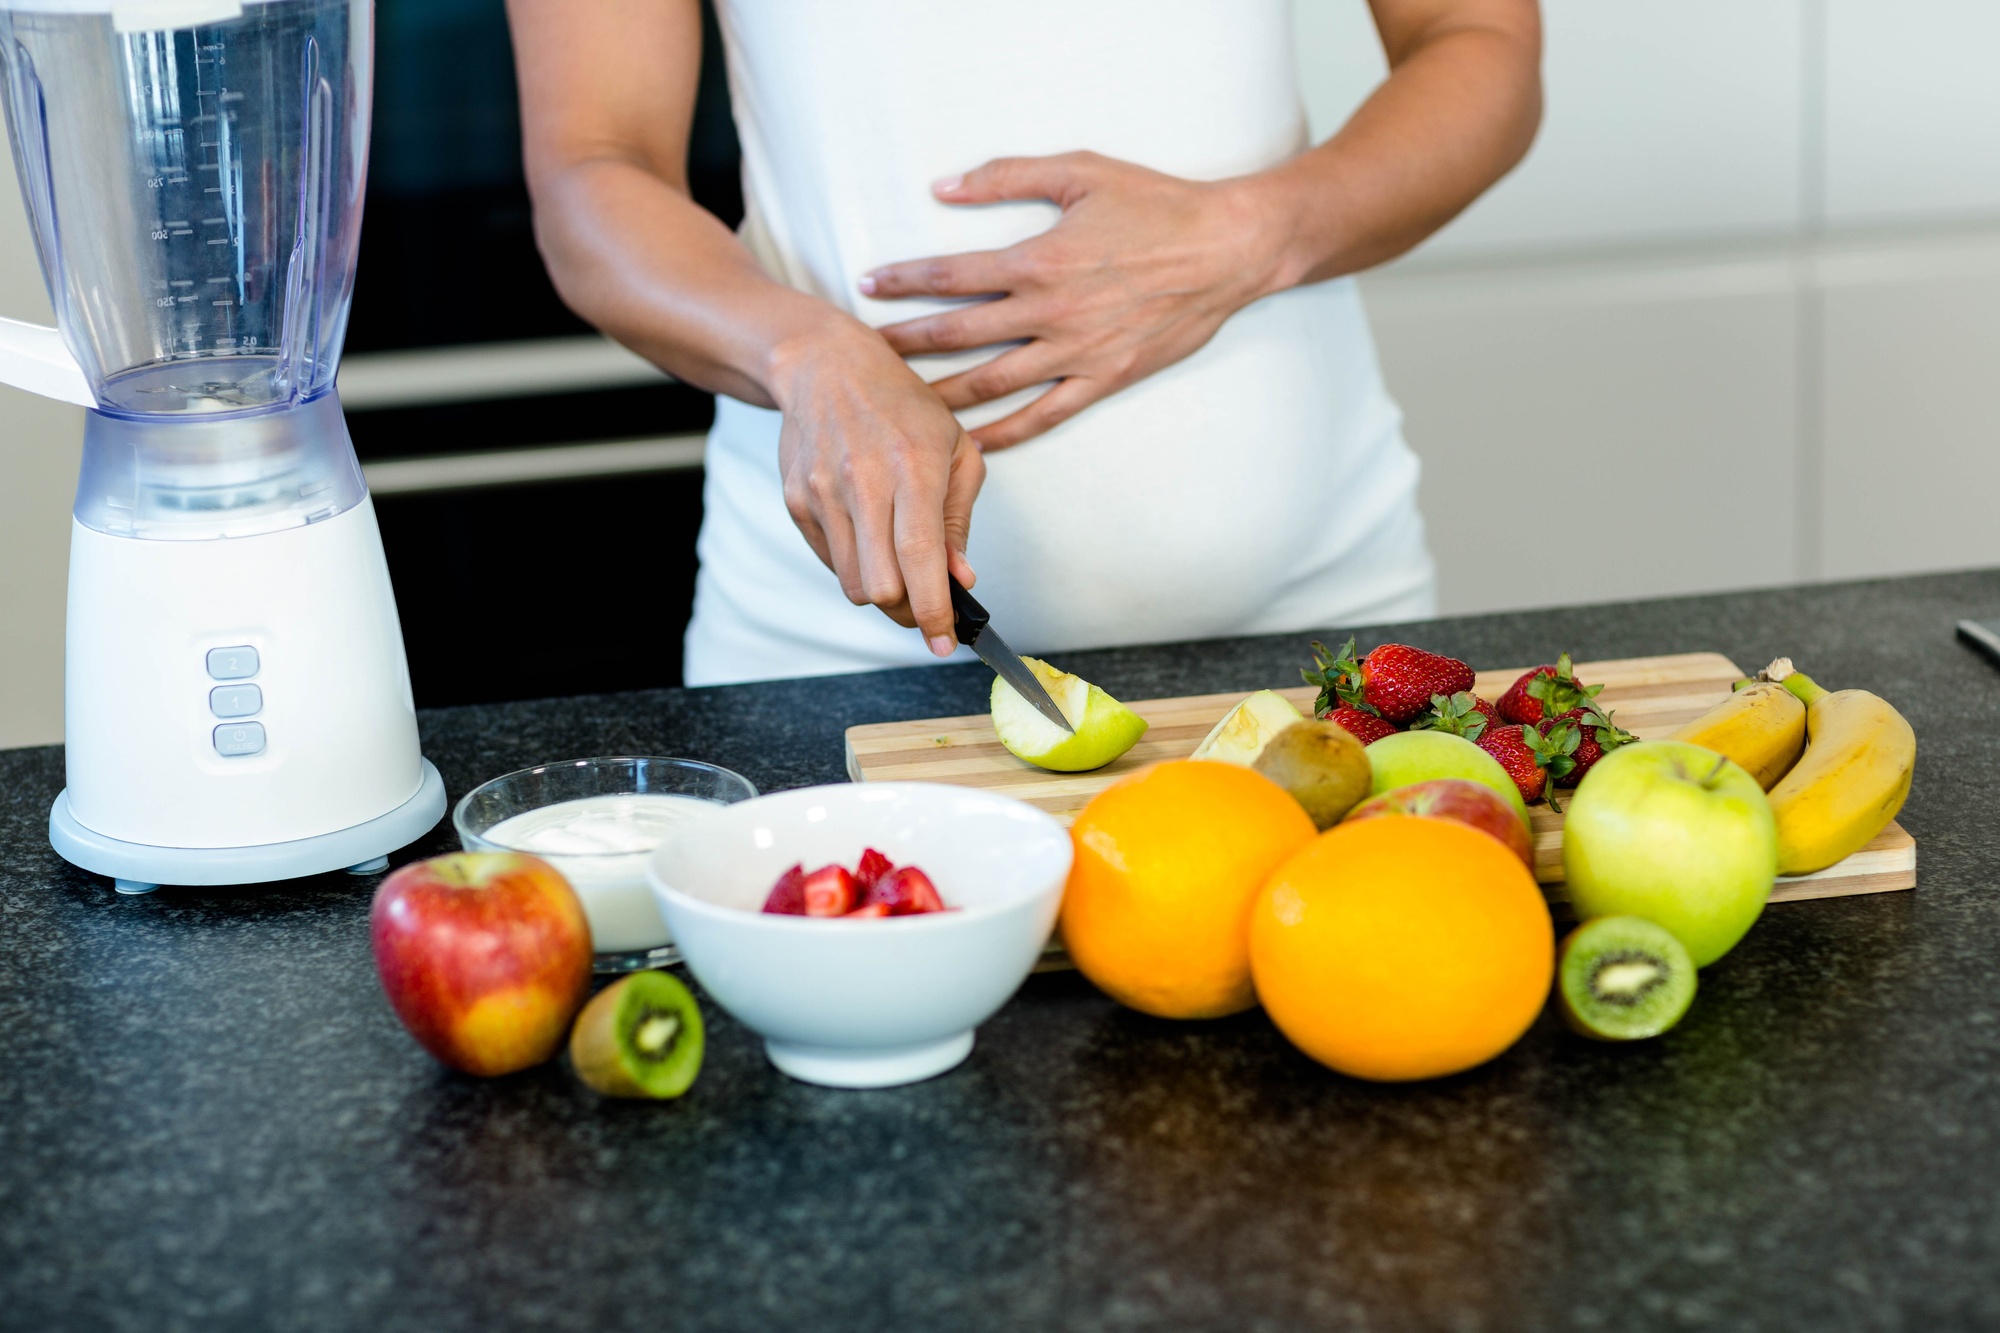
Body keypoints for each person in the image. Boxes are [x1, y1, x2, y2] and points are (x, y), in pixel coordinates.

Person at [507, 0, 1542, 685]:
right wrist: (802, 352)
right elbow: (593, 167)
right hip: (821, 655)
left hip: (1323, 609)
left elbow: (1477, 46)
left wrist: (1245, 235)